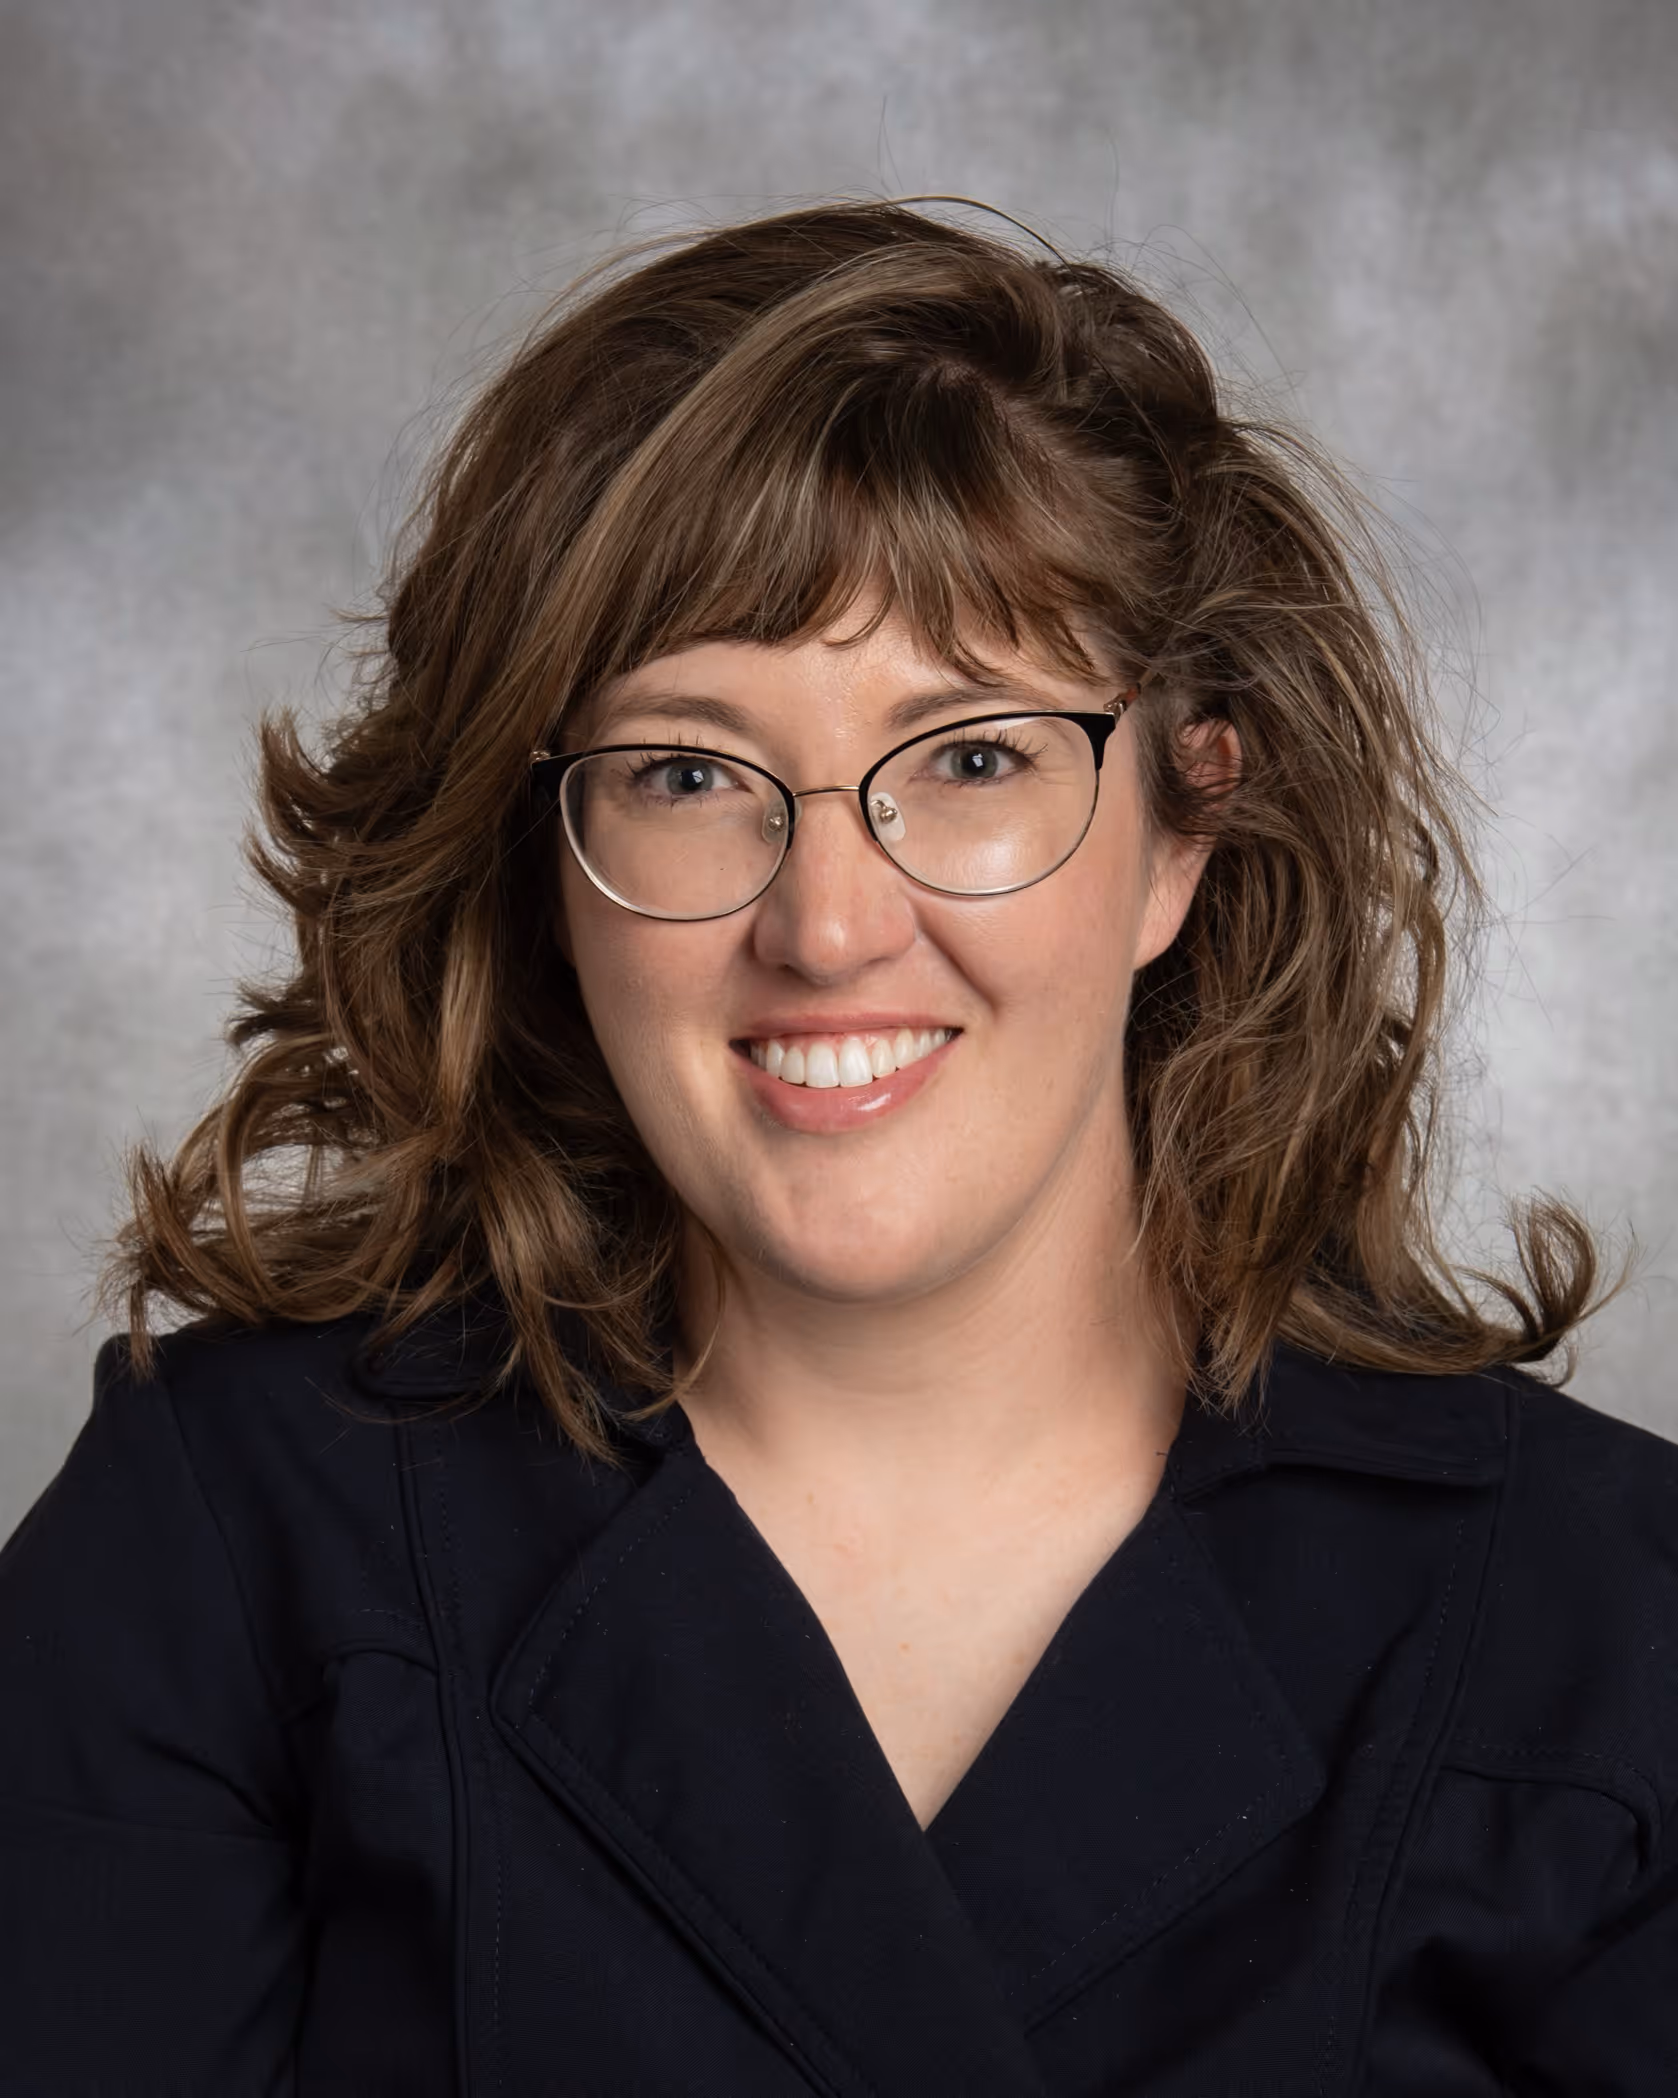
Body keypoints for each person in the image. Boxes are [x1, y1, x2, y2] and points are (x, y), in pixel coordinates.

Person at [1, 195, 1671, 2096]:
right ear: (546, 857)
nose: (826, 925)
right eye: (689, 773)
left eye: (969, 757)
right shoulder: (220, 1547)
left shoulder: (1611, 1628)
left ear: (1185, 823)